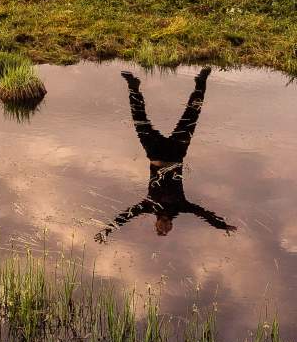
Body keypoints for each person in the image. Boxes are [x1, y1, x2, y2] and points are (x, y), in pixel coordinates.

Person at [97, 68, 235, 240]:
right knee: (191, 116)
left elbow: (127, 215)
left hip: (154, 153)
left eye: (159, 228)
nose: (164, 226)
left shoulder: (149, 206)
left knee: (139, 119)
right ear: (171, 225)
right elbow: (202, 213)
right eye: (167, 229)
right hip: (176, 153)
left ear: (155, 224)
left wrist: (108, 230)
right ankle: (201, 82)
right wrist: (220, 225)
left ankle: (133, 86)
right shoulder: (180, 207)